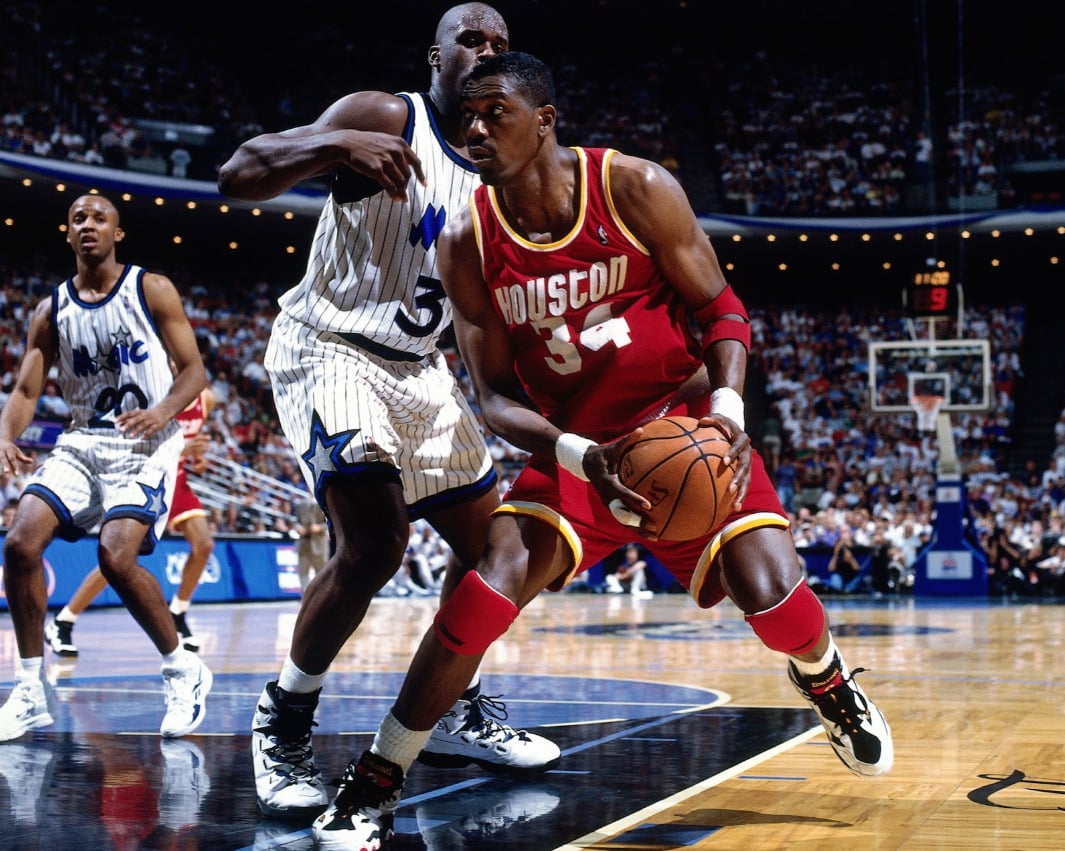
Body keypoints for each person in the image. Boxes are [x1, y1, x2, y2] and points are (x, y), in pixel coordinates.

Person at [312, 52, 894, 849]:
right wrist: (583, 456)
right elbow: (493, 398)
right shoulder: (465, 239)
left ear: (545, 119)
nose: (476, 129)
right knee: (484, 588)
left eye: (496, 113)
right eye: (467, 118)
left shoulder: (633, 187)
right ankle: (375, 778)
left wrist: (725, 406)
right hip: (577, 453)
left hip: (683, 431)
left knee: (773, 599)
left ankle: (826, 682)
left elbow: (721, 310)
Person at [215, 3, 559, 824]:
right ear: (435, 54)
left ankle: (457, 709)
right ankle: (284, 718)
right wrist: (333, 145)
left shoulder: (502, 172)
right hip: (329, 345)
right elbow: (236, 174)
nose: (486, 51)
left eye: (500, 45)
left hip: (421, 368)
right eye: (471, 39)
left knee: (497, 552)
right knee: (373, 543)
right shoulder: (382, 114)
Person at [0, 193, 213, 741]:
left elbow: (195, 371)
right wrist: (4, 434)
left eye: (99, 218)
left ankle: (182, 668)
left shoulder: (151, 288)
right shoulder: (51, 309)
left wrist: (163, 411)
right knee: (20, 543)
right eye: (78, 219)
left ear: (118, 233)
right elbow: (27, 389)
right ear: (67, 235)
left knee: (116, 557)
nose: (88, 225)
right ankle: (29, 689)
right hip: (81, 441)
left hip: (145, 443)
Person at [44, 386, 218, 656]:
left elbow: (189, 444)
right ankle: (63, 620)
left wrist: (197, 458)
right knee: (119, 558)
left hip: (177, 479)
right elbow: (134, 439)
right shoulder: (153, 385)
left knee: (204, 544)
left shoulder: (206, 398)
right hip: (143, 472)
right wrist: (183, 450)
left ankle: (178, 612)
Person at [293, 495, 329, 592]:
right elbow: (296, 521)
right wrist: (298, 528)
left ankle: (321, 596)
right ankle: (306, 597)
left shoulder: (325, 502)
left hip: (319, 543)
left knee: (321, 572)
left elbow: (330, 522)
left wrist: (319, 528)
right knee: (303, 572)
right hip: (303, 543)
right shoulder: (301, 504)